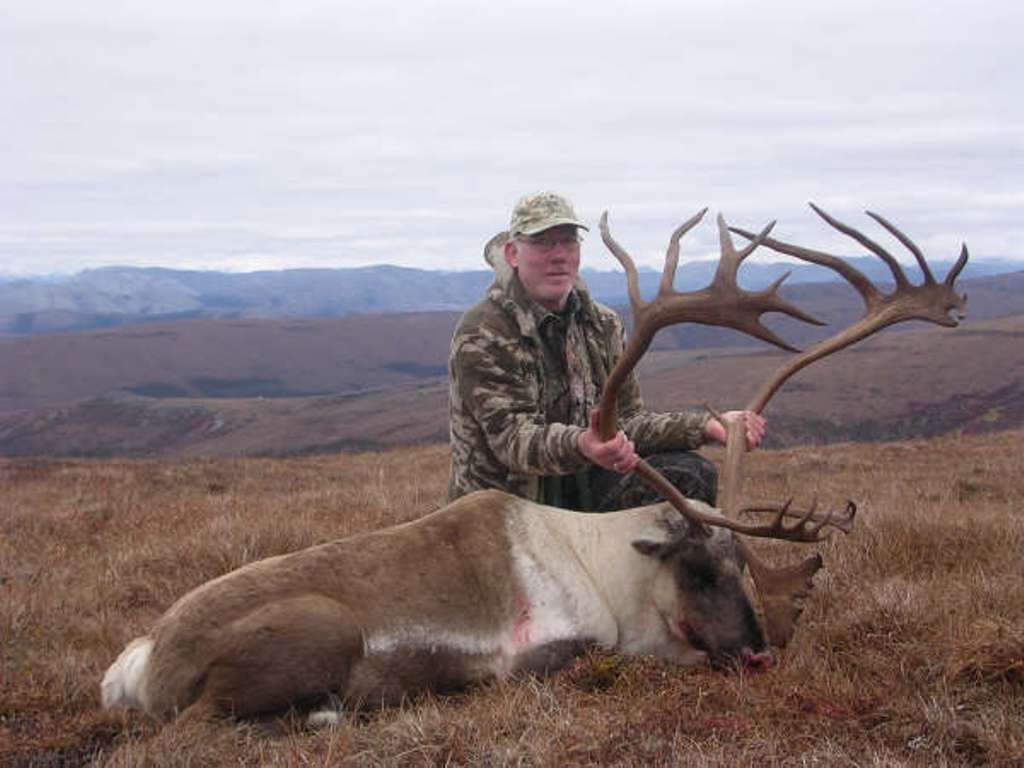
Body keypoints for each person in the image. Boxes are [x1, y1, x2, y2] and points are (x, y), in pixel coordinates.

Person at [448, 191, 765, 512]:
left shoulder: (603, 325)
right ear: (513, 253)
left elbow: (628, 421)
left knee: (691, 476)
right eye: (542, 242)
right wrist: (583, 444)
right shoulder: (483, 331)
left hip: (583, 492)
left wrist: (706, 426)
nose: (559, 255)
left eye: (568, 242)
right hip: (505, 509)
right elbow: (512, 440)